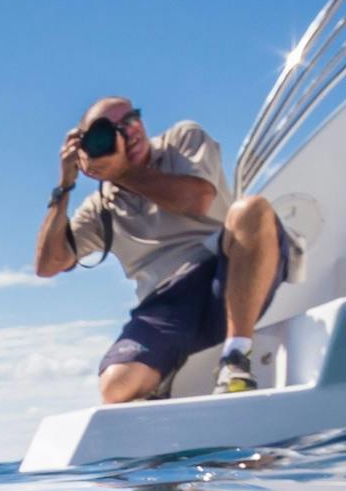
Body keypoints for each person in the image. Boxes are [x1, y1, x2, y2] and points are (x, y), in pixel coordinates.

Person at [35, 96, 298, 401]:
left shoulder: (183, 139)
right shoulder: (101, 208)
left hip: (225, 275)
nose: (126, 133)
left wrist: (122, 173)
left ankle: (235, 359)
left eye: (131, 120)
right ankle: (162, 372)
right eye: (106, 133)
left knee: (251, 209)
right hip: (166, 304)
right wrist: (65, 186)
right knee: (115, 387)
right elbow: (48, 265)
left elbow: (196, 199)